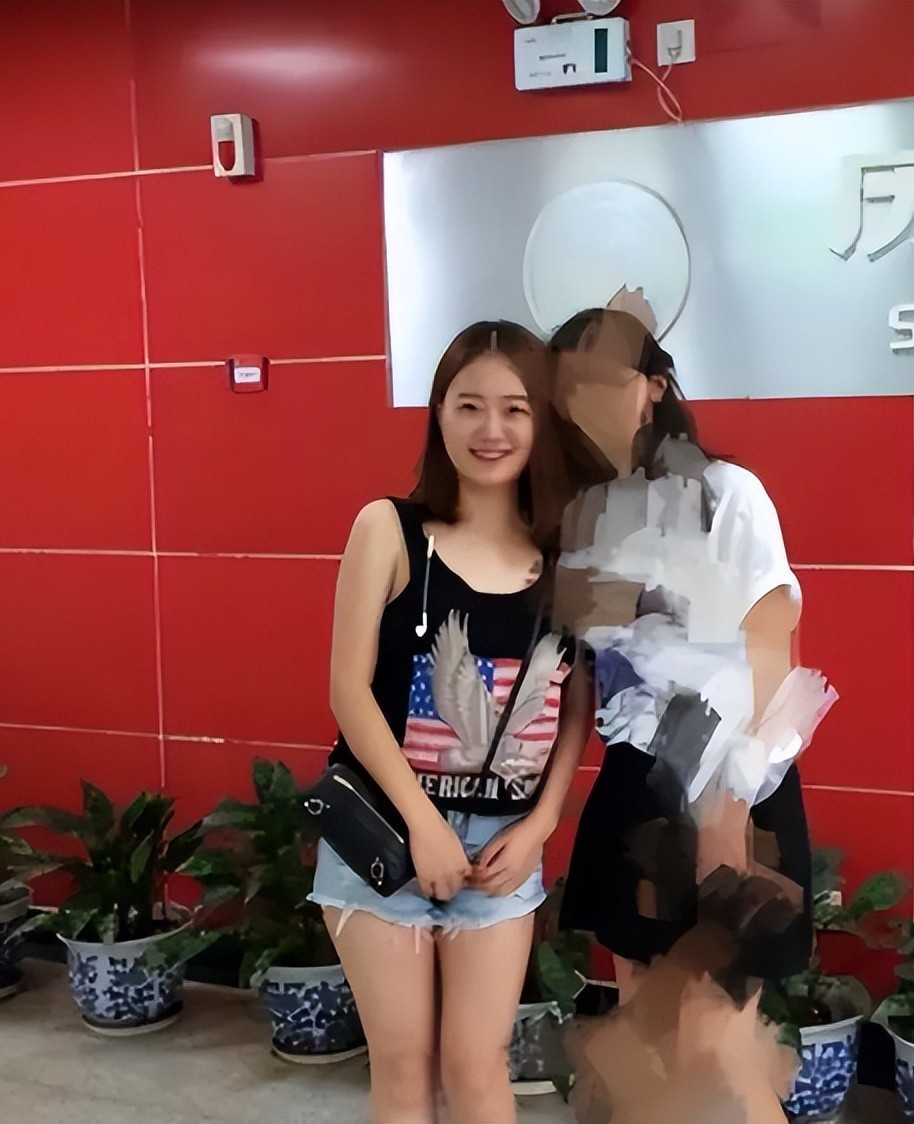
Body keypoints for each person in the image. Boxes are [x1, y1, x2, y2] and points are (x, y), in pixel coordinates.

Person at [311, 321, 591, 1124]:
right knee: (403, 1069)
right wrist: (425, 824)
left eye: (514, 409)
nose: (490, 429)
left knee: (478, 1068)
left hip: (503, 852)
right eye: (468, 405)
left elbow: (577, 704)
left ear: (542, 421)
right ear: (438, 414)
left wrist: (540, 826)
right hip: (385, 837)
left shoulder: (571, 556)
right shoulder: (389, 530)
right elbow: (348, 691)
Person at [550, 305, 817, 1007]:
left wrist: (728, 813)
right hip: (636, 784)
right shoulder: (581, 518)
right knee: (644, 1024)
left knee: (719, 1034)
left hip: (738, 786)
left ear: (655, 386)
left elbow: (771, 659)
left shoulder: (728, 495)